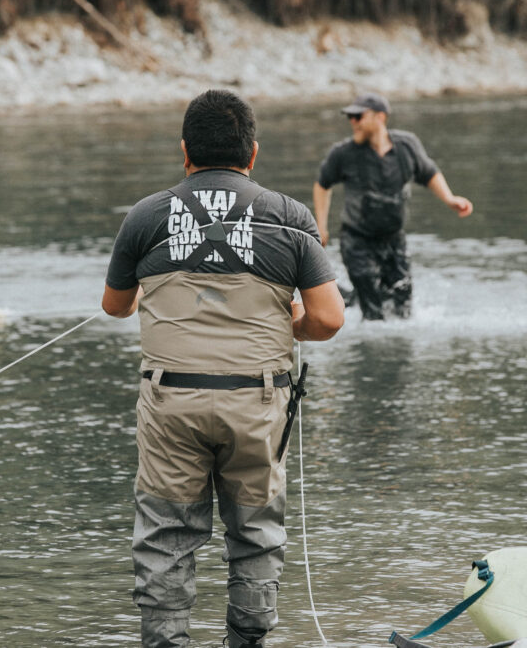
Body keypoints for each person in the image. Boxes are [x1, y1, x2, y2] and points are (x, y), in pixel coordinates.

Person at [101, 89, 344, 647]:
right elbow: (329, 321)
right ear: (252, 154)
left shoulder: (145, 215)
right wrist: (293, 323)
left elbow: (115, 306)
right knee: (256, 536)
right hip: (257, 404)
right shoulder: (290, 217)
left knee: (166, 536)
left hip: (171, 404)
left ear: (185, 152)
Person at [312, 93, 473, 319]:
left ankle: (348, 299)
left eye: (358, 116)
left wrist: (450, 199)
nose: (353, 122)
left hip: (394, 240)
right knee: (374, 312)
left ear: (380, 117)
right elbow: (322, 185)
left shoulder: (407, 146)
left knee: (403, 306)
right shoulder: (343, 153)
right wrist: (321, 226)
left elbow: (429, 173)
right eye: (350, 117)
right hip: (357, 242)